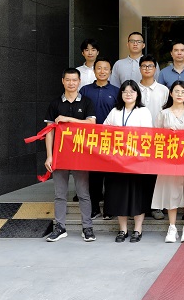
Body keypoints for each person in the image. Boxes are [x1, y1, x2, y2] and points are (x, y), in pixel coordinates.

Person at [44, 68, 96, 243]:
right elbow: (49, 131)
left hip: (81, 155)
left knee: (83, 193)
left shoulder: (87, 102)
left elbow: (91, 124)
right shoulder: (55, 103)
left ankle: (87, 227)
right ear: (63, 81)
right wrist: (49, 156)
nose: (71, 83)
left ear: (79, 81)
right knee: (60, 194)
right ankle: (60, 227)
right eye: (68, 80)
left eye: (74, 80)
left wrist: (68, 119)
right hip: (60, 155)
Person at [103, 80, 154, 243]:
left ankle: (138, 229)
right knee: (119, 194)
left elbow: (147, 135)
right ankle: (123, 229)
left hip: (137, 161)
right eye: (125, 91)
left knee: (138, 195)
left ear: (137, 94)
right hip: (118, 161)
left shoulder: (143, 111)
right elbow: (104, 130)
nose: (128, 94)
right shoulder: (115, 111)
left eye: (132, 91)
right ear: (121, 94)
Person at [152, 81, 184, 243]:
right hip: (169, 159)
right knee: (171, 192)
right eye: (176, 91)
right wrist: (166, 133)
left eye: (183, 91)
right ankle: (172, 227)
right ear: (171, 94)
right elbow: (156, 137)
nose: (180, 94)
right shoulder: (163, 114)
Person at [79, 58, 120, 219]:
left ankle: (109, 209)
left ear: (110, 71)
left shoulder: (116, 91)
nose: (102, 71)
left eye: (106, 68)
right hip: (91, 140)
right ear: (94, 71)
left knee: (111, 176)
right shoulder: (85, 90)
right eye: (99, 68)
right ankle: (94, 208)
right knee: (94, 176)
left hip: (111, 139)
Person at [137, 54, 169, 221]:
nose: (147, 69)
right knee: (139, 174)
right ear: (140, 68)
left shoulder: (164, 90)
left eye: (150, 66)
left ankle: (156, 207)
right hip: (137, 138)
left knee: (157, 174)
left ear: (155, 69)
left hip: (158, 138)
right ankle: (140, 206)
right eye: (144, 66)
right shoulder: (133, 88)